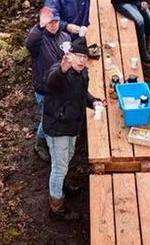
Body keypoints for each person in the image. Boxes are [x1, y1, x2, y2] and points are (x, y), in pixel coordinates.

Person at [42, 46, 103, 220]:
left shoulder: (83, 73)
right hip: (57, 128)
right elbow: (51, 82)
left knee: (67, 157)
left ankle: (60, 186)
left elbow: (83, 94)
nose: (82, 60)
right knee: (59, 168)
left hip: (73, 126)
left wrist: (94, 102)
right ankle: (57, 206)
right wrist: (63, 69)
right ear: (69, 56)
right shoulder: (58, 71)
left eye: (84, 56)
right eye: (78, 56)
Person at [26, 7, 88, 162]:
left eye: (56, 21)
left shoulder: (65, 37)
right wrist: (40, 26)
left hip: (62, 85)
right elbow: (30, 42)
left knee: (58, 112)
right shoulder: (39, 41)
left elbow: (71, 56)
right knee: (47, 117)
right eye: (49, 22)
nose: (53, 25)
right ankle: (41, 143)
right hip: (44, 88)